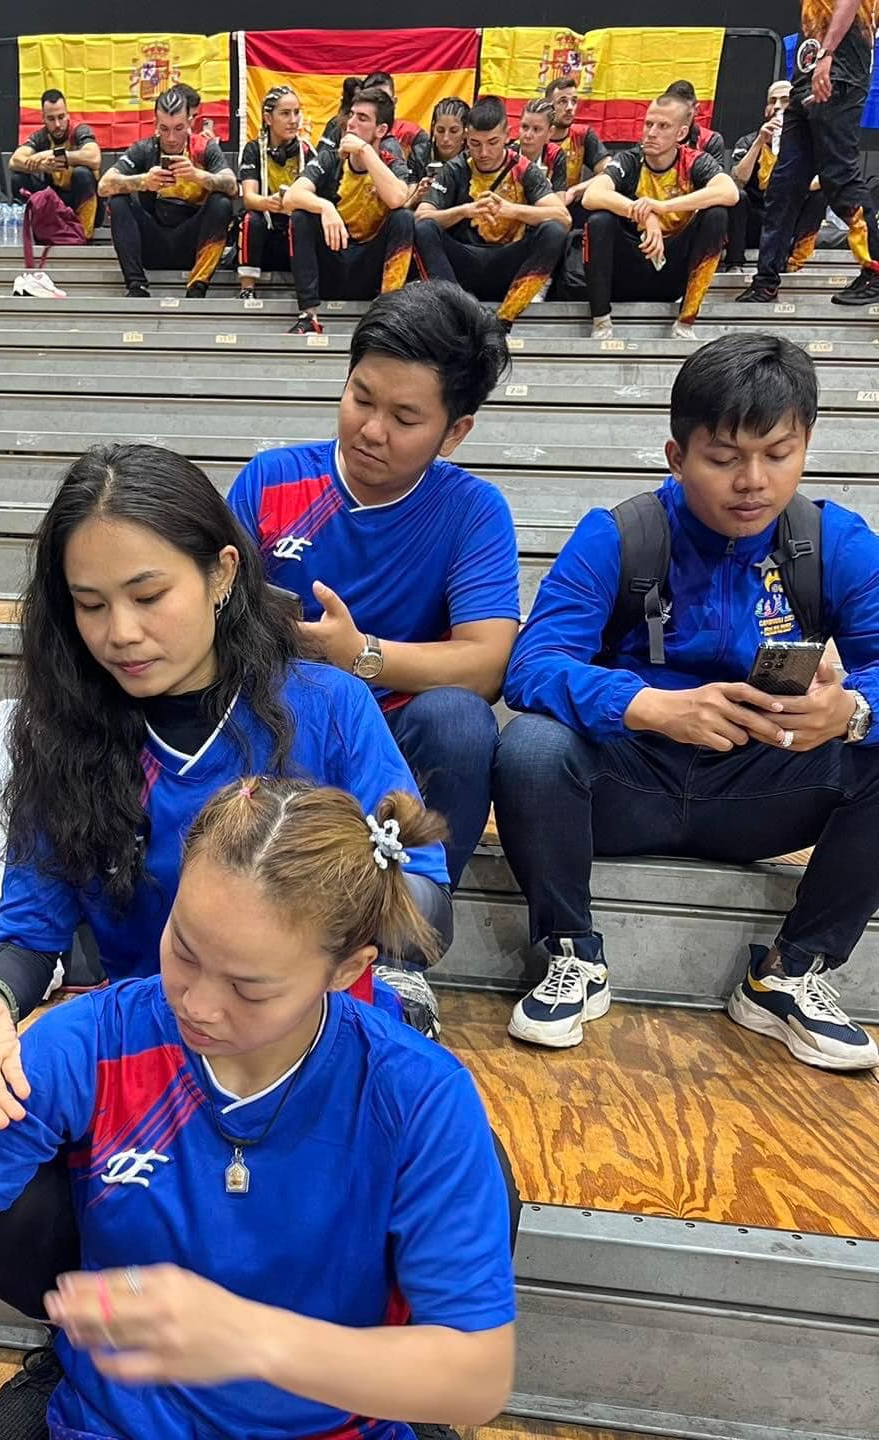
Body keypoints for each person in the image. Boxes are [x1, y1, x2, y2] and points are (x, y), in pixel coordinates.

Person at [0, 778, 517, 1440]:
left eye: (250, 989)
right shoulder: (93, 1043)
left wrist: (249, 1339)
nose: (197, 1004)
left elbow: (475, 1377)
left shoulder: (417, 1096)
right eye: (184, 950)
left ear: (346, 970)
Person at [0, 443, 454, 1135]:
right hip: (157, 1051)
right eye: (90, 605)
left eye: (149, 597)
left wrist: (317, 887)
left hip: (308, 1049)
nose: (121, 633)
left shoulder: (328, 706)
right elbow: (30, 929)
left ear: (221, 574)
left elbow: (423, 906)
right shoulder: (63, 736)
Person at [493, 333, 879, 1072]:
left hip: (763, 789)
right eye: (724, 458)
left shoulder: (835, 543)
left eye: (777, 454)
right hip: (626, 784)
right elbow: (532, 665)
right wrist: (647, 705)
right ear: (677, 456)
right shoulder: (620, 535)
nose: (753, 482)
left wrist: (853, 710)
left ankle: (789, 974)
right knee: (530, 746)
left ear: (806, 446)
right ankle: (572, 954)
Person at [227, 282, 518, 890]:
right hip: (281, 719)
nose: (371, 430)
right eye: (361, 398)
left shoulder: (472, 511)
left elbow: (487, 663)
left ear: (455, 432)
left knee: (461, 721)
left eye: (405, 418)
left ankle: (416, 918)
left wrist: (359, 654)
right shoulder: (271, 480)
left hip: (398, 732)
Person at [738, 0, 879, 306]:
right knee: (783, 185)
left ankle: (875, 270)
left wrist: (827, 55)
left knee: (839, 176)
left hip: (838, 74)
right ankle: (766, 281)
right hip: (805, 80)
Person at [582, 93, 739, 341]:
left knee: (717, 214)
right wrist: (646, 216)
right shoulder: (630, 160)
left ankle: (686, 321)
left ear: (681, 133)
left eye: (663, 126)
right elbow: (591, 195)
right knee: (599, 220)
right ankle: (601, 321)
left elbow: (730, 192)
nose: (651, 133)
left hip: (672, 271)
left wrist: (663, 207)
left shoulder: (695, 161)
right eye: (648, 124)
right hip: (632, 264)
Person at [414, 95, 569, 330]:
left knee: (554, 231)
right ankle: (456, 311)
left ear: (507, 135)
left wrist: (512, 210)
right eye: (475, 143)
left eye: (493, 142)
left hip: (509, 264)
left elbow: (563, 217)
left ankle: (505, 319)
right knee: (423, 227)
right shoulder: (456, 168)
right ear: (466, 137)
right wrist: (464, 211)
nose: (484, 152)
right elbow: (421, 216)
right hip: (465, 262)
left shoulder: (524, 169)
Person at [283, 86, 414, 336]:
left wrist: (364, 150)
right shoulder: (330, 159)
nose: (351, 123)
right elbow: (290, 197)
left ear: (381, 130)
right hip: (333, 263)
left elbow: (398, 198)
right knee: (301, 216)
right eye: (352, 114)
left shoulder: (390, 161)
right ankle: (308, 316)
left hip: (369, 269)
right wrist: (325, 207)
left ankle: (388, 314)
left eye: (362, 118)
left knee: (404, 218)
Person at [98, 86, 237, 300]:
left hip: (192, 243)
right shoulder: (145, 149)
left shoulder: (205, 148)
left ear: (190, 123)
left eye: (178, 128)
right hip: (154, 241)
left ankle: (198, 286)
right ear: (155, 125)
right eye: (164, 129)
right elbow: (103, 186)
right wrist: (143, 181)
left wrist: (197, 175)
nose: (171, 138)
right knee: (118, 200)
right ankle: (136, 285)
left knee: (222, 202)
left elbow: (232, 186)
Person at [727, 80, 825, 275]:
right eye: (773, 101)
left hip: (787, 218)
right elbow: (737, 181)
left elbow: (824, 179)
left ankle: (795, 260)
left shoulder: (809, 142)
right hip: (755, 219)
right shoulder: (747, 141)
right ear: (766, 109)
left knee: (820, 195)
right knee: (738, 196)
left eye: (785, 100)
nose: (778, 106)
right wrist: (759, 142)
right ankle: (734, 263)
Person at [237, 85, 315, 298]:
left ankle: (308, 292)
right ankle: (247, 290)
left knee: (306, 220)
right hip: (266, 234)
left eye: (297, 112)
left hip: (295, 229)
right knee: (250, 219)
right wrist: (268, 203)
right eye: (285, 113)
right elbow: (249, 198)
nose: (293, 120)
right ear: (268, 118)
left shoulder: (307, 151)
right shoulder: (253, 149)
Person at [9, 88, 101, 238]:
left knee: (82, 174)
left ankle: (82, 235)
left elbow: (94, 158)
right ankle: (31, 233)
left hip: (82, 200)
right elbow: (14, 161)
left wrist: (52, 154)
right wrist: (40, 166)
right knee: (18, 179)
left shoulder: (80, 131)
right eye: (51, 119)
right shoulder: (41, 136)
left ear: (68, 115)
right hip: (56, 201)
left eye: (61, 117)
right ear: (43, 118)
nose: (57, 124)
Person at [545, 74, 610, 214]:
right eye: (562, 101)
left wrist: (576, 190)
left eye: (574, 101)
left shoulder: (582, 135)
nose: (570, 107)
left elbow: (610, 171)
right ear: (549, 107)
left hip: (572, 205)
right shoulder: (537, 136)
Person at [362, 71, 433, 174]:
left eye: (384, 100)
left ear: (394, 102)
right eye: (372, 101)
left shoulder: (413, 134)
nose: (378, 106)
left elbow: (420, 176)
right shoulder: (353, 132)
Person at [664, 79, 727, 168]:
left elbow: (717, 176)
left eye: (686, 114)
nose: (679, 119)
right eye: (673, 113)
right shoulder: (655, 136)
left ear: (696, 110)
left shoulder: (711, 140)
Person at [412, 95, 470, 181]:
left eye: (453, 131)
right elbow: (409, 187)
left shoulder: (473, 159)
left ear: (465, 132)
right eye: (440, 130)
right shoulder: (419, 155)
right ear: (433, 128)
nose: (445, 138)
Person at [518, 99, 568, 191]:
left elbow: (560, 199)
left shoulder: (555, 155)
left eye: (536, 129)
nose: (528, 135)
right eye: (524, 127)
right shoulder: (508, 154)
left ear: (550, 132)